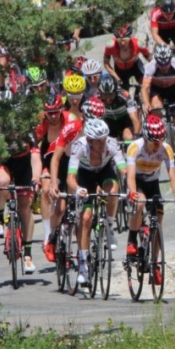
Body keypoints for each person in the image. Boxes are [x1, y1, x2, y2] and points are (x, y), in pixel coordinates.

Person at [124, 115, 175, 285]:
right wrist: (133, 192)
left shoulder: (166, 149)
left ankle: (155, 263)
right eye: (154, 141)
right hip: (137, 181)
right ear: (145, 138)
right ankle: (132, 239)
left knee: (159, 217)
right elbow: (130, 176)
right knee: (140, 202)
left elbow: (172, 175)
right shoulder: (135, 147)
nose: (158, 144)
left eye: (160, 140)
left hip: (152, 182)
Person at [44, 95, 105, 262]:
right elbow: (55, 159)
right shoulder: (71, 128)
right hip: (66, 163)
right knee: (60, 208)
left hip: (85, 168)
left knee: (81, 215)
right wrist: (54, 184)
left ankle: (82, 253)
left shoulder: (102, 132)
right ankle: (52, 237)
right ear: (84, 118)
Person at [66, 118, 126, 285]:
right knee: (85, 218)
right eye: (98, 141)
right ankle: (83, 265)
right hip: (85, 176)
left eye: (104, 139)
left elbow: (123, 168)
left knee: (113, 192)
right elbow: (70, 177)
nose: (102, 144)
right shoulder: (79, 147)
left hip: (104, 171)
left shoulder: (111, 144)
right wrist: (78, 189)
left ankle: (110, 226)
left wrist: (128, 181)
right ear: (89, 140)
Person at [0, 130, 41, 273]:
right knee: (3, 182)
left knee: (24, 208)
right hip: (4, 163)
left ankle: (28, 256)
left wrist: (35, 179)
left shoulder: (27, 131)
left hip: (23, 165)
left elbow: (35, 158)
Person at [31, 93, 75, 260]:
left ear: (61, 109)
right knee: (46, 190)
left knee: (65, 205)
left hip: (67, 162)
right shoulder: (41, 123)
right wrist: (36, 174)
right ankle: (47, 233)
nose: (53, 116)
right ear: (45, 113)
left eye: (56, 112)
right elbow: (34, 148)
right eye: (50, 113)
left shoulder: (69, 119)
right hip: (48, 161)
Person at [141, 44, 175, 170]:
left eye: (166, 64)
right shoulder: (150, 67)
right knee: (156, 109)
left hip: (173, 90)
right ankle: (162, 136)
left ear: (170, 59)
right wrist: (146, 103)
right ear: (156, 60)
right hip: (157, 91)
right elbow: (145, 88)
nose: (164, 67)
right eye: (161, 64)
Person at [102, 24, 152, 93]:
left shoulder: (138, 43)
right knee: (123, 92)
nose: (122, 43)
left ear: (130, 37)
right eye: (119, 41)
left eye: (125, 40)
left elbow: (151, 60)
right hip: (120, 70)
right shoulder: (110, 45)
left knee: (146, 86)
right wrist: (116, 78)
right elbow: (106, 64)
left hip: (135, 67)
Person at [96, 75, 141, 142]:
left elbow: (135, 120)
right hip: (109, 122)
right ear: (100, 93)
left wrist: (136, 136)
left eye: (111, 94)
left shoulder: (124, 95)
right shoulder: (96, 97)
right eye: (105, 95)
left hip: (125, 121)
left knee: (128, 137)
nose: (108, 99)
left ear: (115, 92)